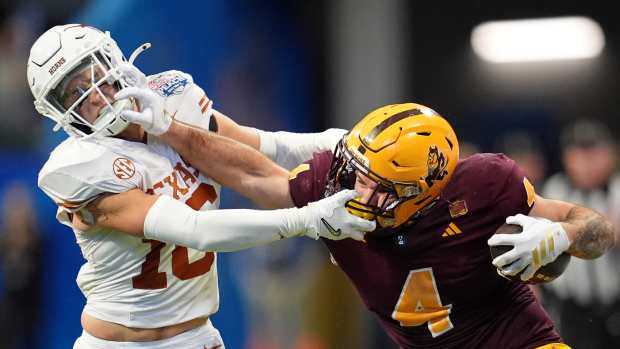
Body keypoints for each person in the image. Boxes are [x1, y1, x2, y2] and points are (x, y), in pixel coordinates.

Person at [117, 71, 615, 347]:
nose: (354, 190)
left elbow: (596, 228)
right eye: (354, 172)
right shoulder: (336, 188)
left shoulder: (488, 186)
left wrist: (563, 236)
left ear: (424, 192)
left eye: (377, 186)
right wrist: (172, 131)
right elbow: (253, 171)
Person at [27, 24, 375, 349]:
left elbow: (267, 147)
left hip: (197, 335)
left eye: (93, 74)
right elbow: (196, 230)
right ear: (59, 112)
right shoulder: (79, 167)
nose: (92, 94)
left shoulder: (171, 98)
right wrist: (309, 220)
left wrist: (345, 143)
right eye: (74, 92)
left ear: (113, 59)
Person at [541, 119, 620, 348]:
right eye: (580, 154)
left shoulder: (617, 190)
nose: (588, 162)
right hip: (572, 309)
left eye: (595, 153)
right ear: (567, 158)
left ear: (611, 154)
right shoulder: (552, 192)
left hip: (616, 302)